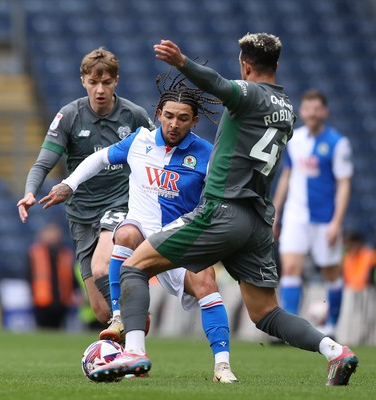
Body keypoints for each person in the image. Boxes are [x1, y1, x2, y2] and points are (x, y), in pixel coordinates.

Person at [81, 33, 359, 386]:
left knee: (134, 266)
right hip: (257, 222)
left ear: (245, 65)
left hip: (223, 211)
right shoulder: (287, 105)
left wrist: (182, 63)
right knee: (266, 313)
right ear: (276, 64)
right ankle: (336, 351)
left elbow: (220, 86)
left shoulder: (250, 94)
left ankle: (135, 352)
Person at [39, 70, 238, 383]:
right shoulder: (139, 141)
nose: (174, 124)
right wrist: (69, 184)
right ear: (158, 114)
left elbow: (219, 200)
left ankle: (222, 367)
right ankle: (123, 326)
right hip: (141, 230)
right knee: (127, 232)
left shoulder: (206, 155)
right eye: (169, 116)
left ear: (194, 121)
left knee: (206, 283)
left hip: (178, 237)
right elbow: (99, 159)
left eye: (183, 118)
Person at [17, 47, 155, 325]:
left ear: (116, 80)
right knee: (100, 310)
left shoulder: (135, 116)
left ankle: (133, 323)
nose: (100, 89)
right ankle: (132, 328)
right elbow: (43, 163)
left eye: (106, 82)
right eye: (93, 82)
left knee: (102, 265)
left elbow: (159, 157)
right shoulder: (69, 116)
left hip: (121, 205)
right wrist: (30, 191)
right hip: (81, 215)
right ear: (83, 81)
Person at [273, 89, 353, 338]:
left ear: (324, 112)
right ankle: (291, 328)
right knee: (290, 267)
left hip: (324, 219)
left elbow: (343, 184)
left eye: (317, 108)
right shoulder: (295, 140)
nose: (311, 112)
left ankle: (331, 326)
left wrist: (336, 222)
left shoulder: (338, 144)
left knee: (331, 272)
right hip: (296, 216)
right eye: (307, 108)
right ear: (302, 111)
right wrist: (276, 210)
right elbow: (287, 175)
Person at [27, 222, 77, 329]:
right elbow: (29, 275)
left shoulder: (65, 253)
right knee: (42, 329)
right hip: (42, 300)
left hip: (62, 300)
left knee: (59, 329)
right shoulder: (35, 253)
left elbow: (71, 276)